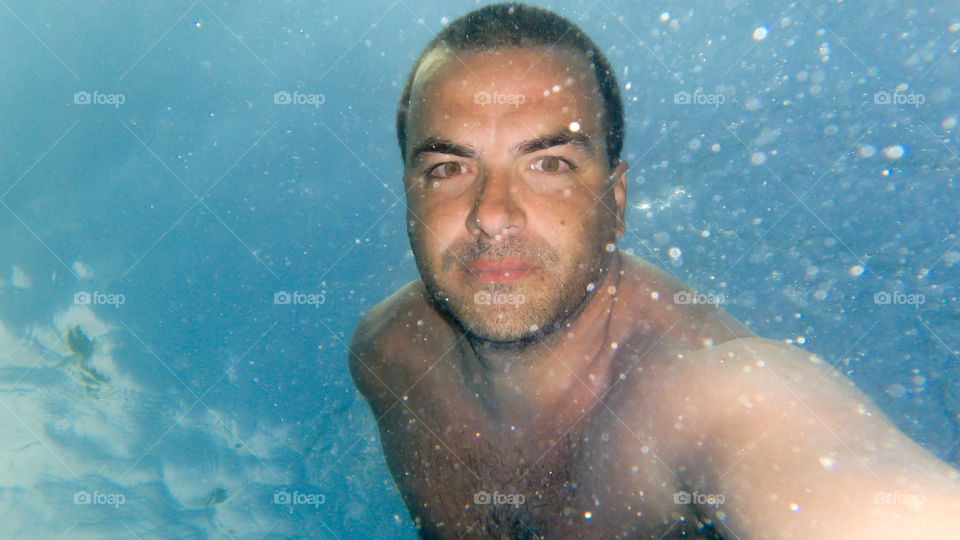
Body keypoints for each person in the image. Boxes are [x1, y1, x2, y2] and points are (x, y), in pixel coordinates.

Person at [348, 3, 960, 538]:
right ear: (408, 199)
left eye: (550, 164)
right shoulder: (387, 354)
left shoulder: (700, 394)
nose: (492, 214)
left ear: (615, 202)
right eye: (448, 169)